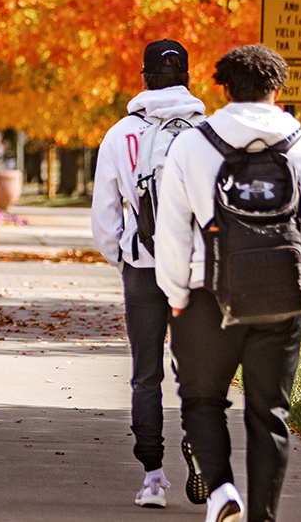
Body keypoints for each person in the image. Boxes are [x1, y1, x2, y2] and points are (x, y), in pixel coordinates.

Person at [154, 45, 301, 522]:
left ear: (223, 87)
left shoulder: (192, 145)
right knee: (270, 414)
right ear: (277, 89)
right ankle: (263, 516)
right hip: (282, 298)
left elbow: (173, 232)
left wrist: (176, 297)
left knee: (201, 399)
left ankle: (221, 492)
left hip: (206, 297)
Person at [92, 39, 208, 508]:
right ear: (186, 78)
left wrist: (121, 254)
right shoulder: (210, 133)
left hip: (143, 266)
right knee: (198, 370)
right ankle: (202, 445)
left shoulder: (121, 134)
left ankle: (153, 477)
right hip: (196, 270)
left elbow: (105, 215)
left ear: (143, 78)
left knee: (146, 373)